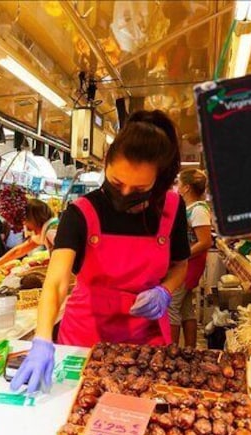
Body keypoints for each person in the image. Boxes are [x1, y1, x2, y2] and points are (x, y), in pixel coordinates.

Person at [13, 110, 190, 394]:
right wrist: (43, 338)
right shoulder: (80, 213)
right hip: (84, 340)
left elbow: (181, 265)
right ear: (106, 161)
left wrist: (165, 291)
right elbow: (56, 282)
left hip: (145, 344)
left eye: (140, 188)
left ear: (159, 179)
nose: (125, 193)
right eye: (117, 183)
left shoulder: (172, 208)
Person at [169, 169, 213, 347]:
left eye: (179, 183)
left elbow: (205, 241)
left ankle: (169, 351)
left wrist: (181, 256)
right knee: (186, 308)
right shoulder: (190, 208)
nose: (177, 187)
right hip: (188, 264)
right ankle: (190, 349)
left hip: (189, 266)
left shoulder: (198, 210)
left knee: (171, 306)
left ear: (186, 188)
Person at [0, 199, 58, 270]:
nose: (24, 224)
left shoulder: (51, 231)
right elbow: (19, 250)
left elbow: (66, 257)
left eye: (25, 219)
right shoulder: (46, 229)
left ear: (33, 218)